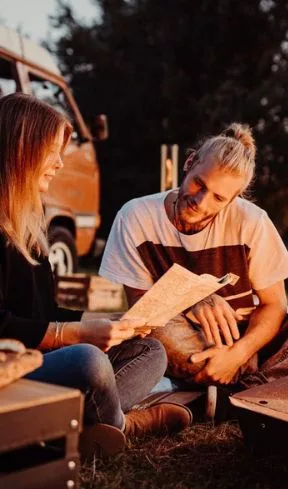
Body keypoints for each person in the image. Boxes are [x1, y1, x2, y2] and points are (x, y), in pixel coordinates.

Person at [99, 122, 288, 418]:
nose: (201, 202)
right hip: (188, 343)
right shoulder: (135, 217)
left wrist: (240, 353)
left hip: (258, 346)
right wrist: (193, 296)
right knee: (151, 328)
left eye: (218, 198)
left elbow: (273, 306)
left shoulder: (251, 221)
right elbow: (141, 312)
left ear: (234, 199)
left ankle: (243, 392)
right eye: (199, 184)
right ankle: (263, 395)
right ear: (189, 163)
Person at [0, 93, 191, 457]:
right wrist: (74, 335)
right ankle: (125, 425)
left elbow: (42, 314)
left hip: (38, 362)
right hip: (7, 372)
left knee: (150, 350)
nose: (59, 162)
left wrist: (109, 321)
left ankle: (92, 422)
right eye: (52, 150)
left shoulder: (30, 228)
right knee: (88, 361)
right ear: (20, 149)